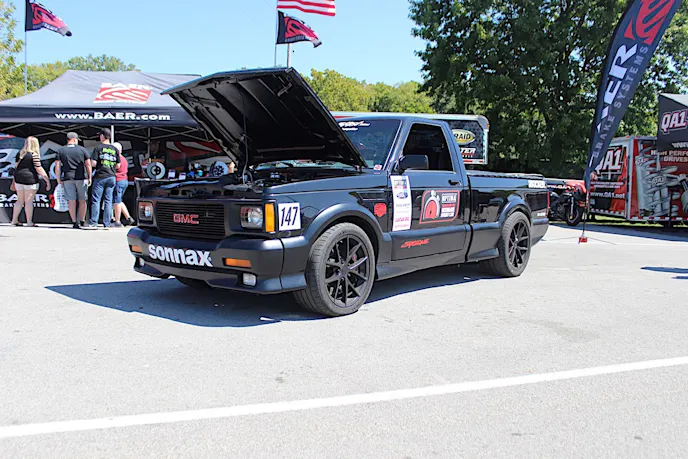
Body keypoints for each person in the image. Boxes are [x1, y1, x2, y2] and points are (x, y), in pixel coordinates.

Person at [11, 136, 51, 227]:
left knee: (19, 200)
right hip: (30, 178)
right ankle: (29, 222)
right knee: (29, 201)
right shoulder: (34, 155)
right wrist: (47, 180)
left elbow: (16, 166)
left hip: (18, 178)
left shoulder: (20, 154)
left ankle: (14, 220)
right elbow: (38, 168)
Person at [55, 132, 92, 229]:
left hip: (68, 178)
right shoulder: (82, 150)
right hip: (81, 178)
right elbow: (88, 164)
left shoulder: (60, 150)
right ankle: (82, 220)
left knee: (71, 201)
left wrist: (58, 179)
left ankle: (74, 221)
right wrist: (90, 177)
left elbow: (57, 166)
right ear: (75, 139)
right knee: (82, 200)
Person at [88, 128, 120, 229]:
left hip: (100, 176)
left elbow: (93, 163)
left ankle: (94, 222)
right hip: (111, 176)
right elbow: (118, 165)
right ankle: (107, 223)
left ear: (102, 136)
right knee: (108, 201)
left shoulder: (98, 148)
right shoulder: (115, 149)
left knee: (96, 200)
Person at [112, 142, 135, 227]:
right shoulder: (124, 159)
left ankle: (117, 221)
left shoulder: (118, 159)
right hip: (124, 180)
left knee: (117, 201)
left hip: (118, 180)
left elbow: (116, 168)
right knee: (119, 200)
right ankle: (128, 217)